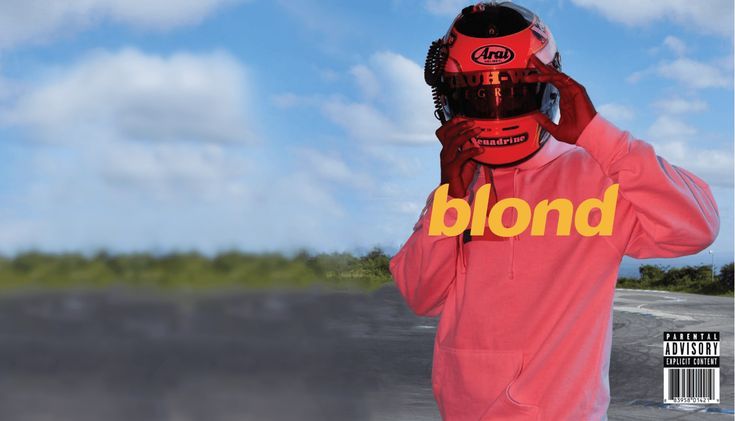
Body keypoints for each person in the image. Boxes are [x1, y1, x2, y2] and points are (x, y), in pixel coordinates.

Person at [389, 2, 720, 420]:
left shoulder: (599, 173)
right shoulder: (460, 185)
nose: (495, 109)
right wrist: (450, 199)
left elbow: (698, 228)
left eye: (512, 93)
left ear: (549, 89)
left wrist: (601, 137)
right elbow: (421, 296)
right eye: (478, 94)